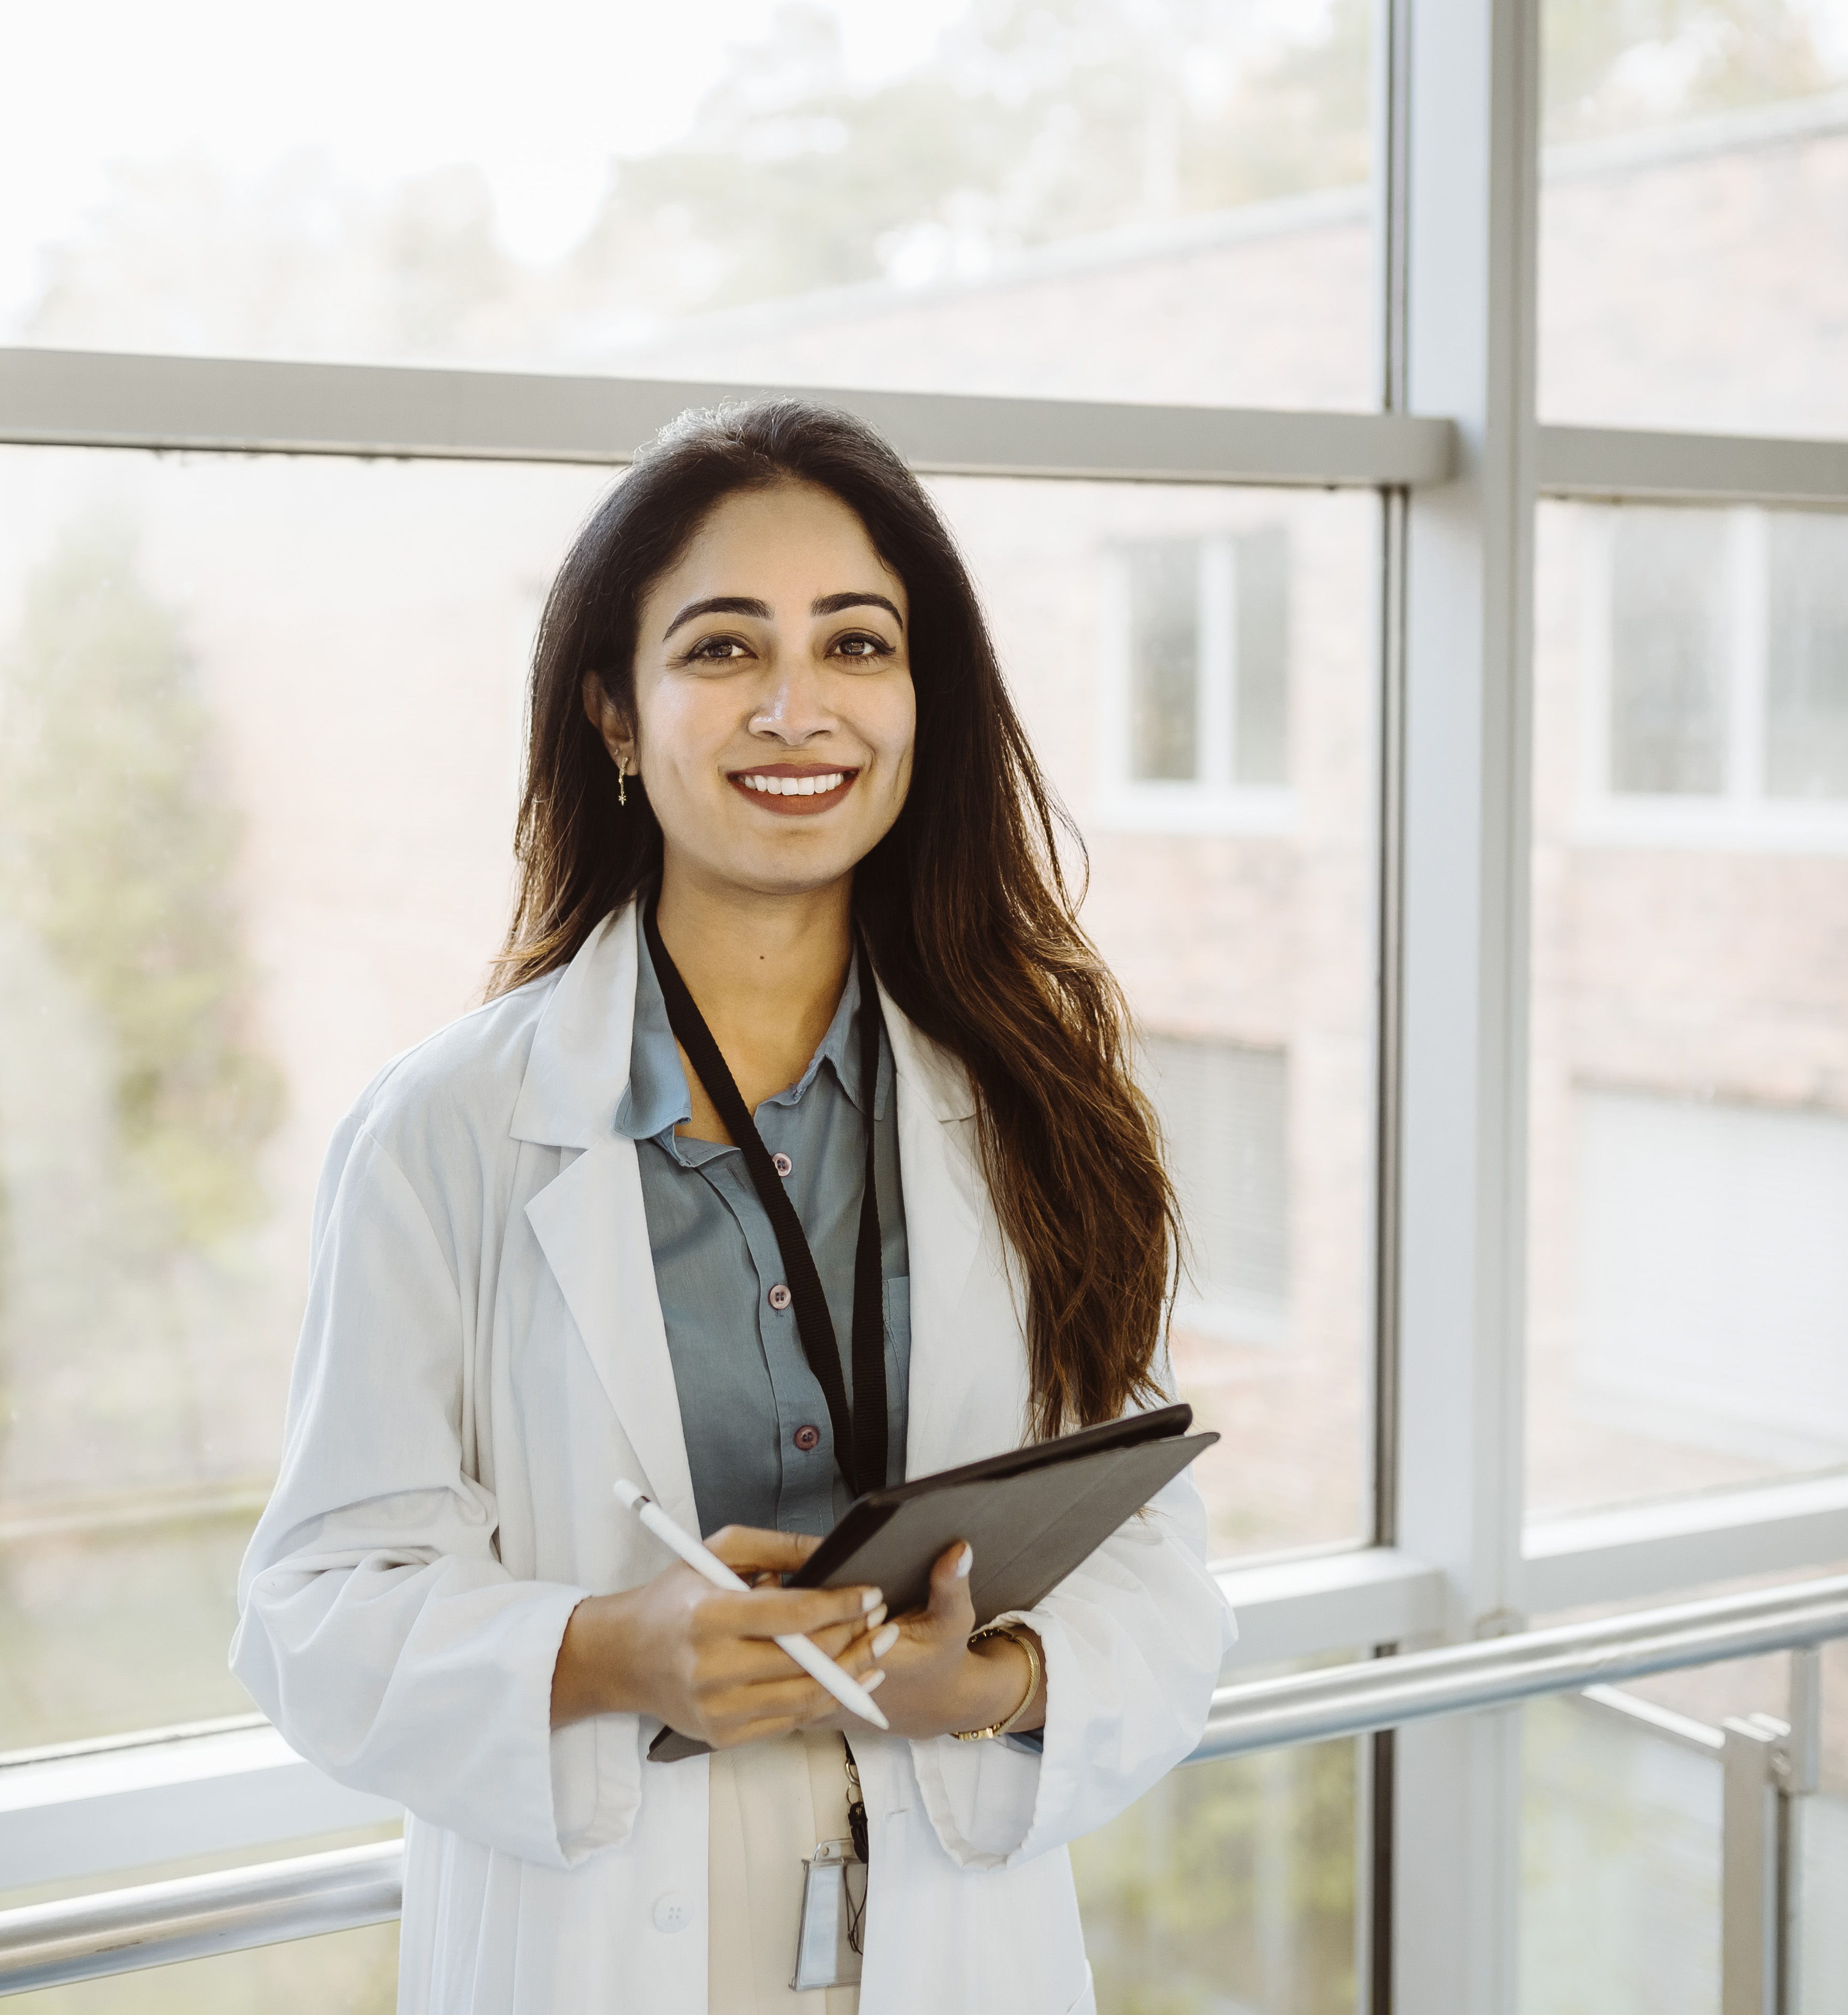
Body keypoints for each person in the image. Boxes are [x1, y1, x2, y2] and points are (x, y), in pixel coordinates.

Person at [233, 399, 1232, 2014]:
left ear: (923, 704)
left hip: (949, 1924)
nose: (796, 708)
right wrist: (609, 1653)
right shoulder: (451, 1134)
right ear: (613, 720)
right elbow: (315, 1612)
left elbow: (1156, 1564)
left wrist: (998, 1682)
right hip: (607, 1934)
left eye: (856, 646)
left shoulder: (1037, 1109)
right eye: (718, 651)